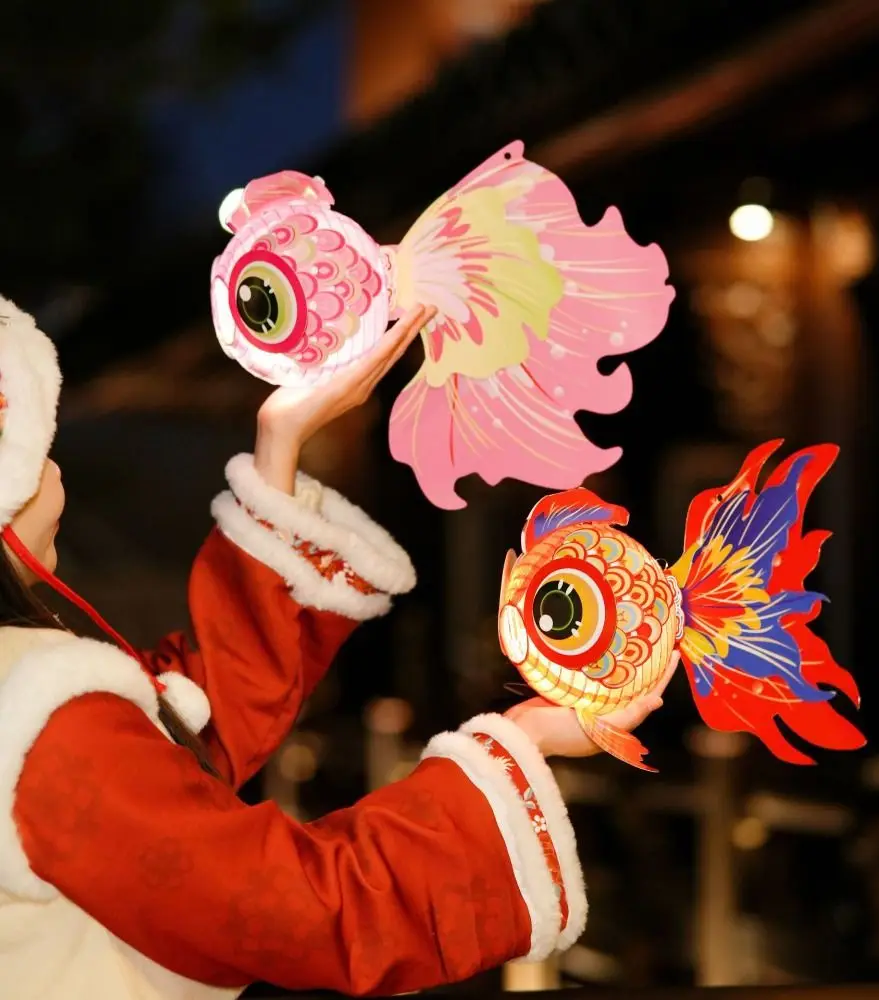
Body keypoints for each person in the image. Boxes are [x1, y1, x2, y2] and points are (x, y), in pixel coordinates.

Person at [0, 293, 672, 1000]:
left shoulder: (31, 689)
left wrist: (280, 442)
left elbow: (176, 738)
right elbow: (307, 907)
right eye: (41, 447)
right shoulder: (34, 708)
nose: (59, 472)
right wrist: (520, 739)